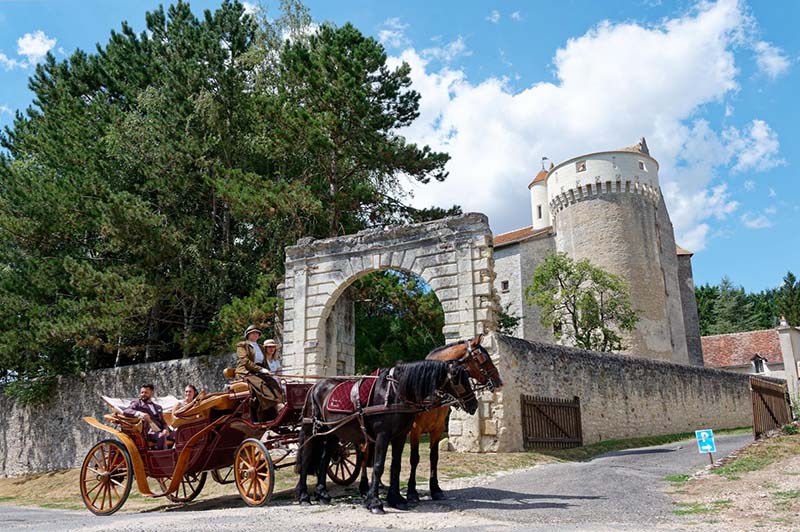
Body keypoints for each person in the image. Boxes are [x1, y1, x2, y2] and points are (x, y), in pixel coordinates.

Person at [236, 325, 285, 421]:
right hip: (246, 372)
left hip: (258, 371)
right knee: (261, 384)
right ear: (248, 334)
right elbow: (245, 361)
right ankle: (274, 406)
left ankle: (280, 403)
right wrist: (261, 370)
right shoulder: (242, 345)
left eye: (257, 333)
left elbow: (264, 363)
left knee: (272, 382)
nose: (255, 334)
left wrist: (267, 371)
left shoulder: (261, 347)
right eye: (253, 333)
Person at [124, 384, 173, 449]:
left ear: (152, 393)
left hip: (160, 430)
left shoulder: (158, 407)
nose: (143, 394)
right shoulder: (137, 403)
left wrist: (165, 429)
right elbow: (126, 410)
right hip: (148, 432)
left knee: (178, 435)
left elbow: (163, 422)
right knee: (161, 436)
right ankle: (162, 457)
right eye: (142, 392)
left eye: (146, 393)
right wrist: (139, 413)